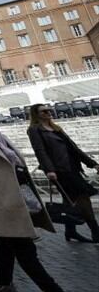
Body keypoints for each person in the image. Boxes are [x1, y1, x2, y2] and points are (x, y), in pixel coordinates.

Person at [0, 91, 99, 292]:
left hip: (16, 197)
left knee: (5, 243)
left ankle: (2, 288)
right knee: (25, 250)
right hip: (1, 201)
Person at [27, 103, 99, 243]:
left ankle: (71, 231)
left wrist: (93, 164)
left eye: (49, 110)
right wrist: (49, 170)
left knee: (70, 201)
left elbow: (74, 148)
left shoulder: (56, 128)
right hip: (60, 171)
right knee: (83, 198)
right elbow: (40, 151)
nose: (48, 112)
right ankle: (96, 232)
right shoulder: (35, 130)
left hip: (72, 168)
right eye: (44, 111)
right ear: (37, 114)